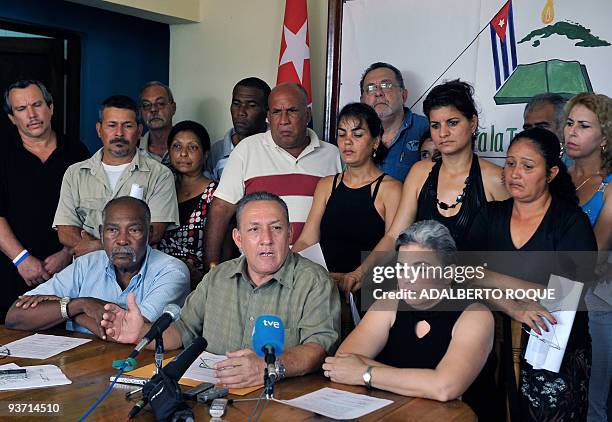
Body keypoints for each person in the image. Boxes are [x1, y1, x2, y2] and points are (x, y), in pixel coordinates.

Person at [101, 192, 341, 389]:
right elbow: (183, 331)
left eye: (276, 228)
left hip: (279, 399)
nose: (266, 239)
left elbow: (318, 348)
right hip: (210, 394)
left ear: (289, 234)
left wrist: (268, 367)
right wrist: (143, 332)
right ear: (238, 239)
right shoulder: (218, 277)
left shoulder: (314, 282)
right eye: (254, 230)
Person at [468, 128, 597, 422]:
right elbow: (460, 274)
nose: (514, 173)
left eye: (527, 166)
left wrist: (491, 277)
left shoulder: (570, 222)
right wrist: (511, 305)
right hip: (490, 346)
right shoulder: (490, 215)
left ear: (551, 173)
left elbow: (565, 293)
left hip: (554, 350)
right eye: (510, 163)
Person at [344, 80, 509, 294]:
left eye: (452, 122)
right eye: (435, 125)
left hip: (475, 299)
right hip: (419, 293)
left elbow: (508, 259)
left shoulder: (496, 179)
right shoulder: (420, 173)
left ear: (473, 123)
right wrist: (361, 272)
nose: (443, 133)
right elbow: (394, 235)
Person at [322, 220, 498, 421]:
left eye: (420, 268)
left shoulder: (475, 315)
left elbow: (444, 388)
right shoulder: (390, 302)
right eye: (402, 267)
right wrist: (425, 384)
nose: (407, 278)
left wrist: (366, 373)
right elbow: (343, 361)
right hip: (399, 415)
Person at [5, 197, 189, 338]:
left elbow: (128, 331)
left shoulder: (172, 271)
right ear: (101, 234)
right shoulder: (87, 264)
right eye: (112, 230)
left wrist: (71, 311)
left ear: (150, 234)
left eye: (134, 230)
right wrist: (80, 304)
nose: (122, 239)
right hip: (81, 364)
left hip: (139, 368)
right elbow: (15, 317)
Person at [204, 83, 342, 268]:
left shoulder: (332, 154)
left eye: (292, 111)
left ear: (307, 115)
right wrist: (211, 267)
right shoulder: (247, 149)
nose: (284, 120)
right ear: (268, 117)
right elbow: (221, 209)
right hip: (257, 272)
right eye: (277, 112)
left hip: (317, 270)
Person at [293, 103, 401, 307]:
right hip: (325, 291)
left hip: (371, 294)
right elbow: (308, 240)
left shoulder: (391, 188)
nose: (347, 142)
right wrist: (285, 265)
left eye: (357, 135)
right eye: (342, 134)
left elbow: (392, 242)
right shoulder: (326, 184)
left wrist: (358, 275)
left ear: (375, 141)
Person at [0, 80, 90, 323]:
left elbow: (89, 212)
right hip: (12, 268)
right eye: (21, 109)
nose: (32, 114)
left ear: (50, 107)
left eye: (37, 104)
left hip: (67, 269)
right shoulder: (3, 152)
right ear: (11, 118)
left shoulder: (77, 151)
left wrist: (67, 253)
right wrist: (22, 259)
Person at [53, 95, 179, 257]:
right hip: (88, 273)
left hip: (140, 274)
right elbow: (65, 231)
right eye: (112, 125)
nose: (119, 133)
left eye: (127, 126)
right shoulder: (75, 173)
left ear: (140, 131)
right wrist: (119, 243)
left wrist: (96, 246)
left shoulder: (160, 174)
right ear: (99, 130)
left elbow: (155, 232)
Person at [564, 92, 612, 422]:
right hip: (554, 293)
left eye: (583, 125)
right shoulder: (556, 176)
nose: (571, 132)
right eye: (569, 123)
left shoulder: (609, 187)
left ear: (605, 137)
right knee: (552, 394)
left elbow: (591, 256)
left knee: (593, 405)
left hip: (596, 300)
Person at [159, 121, 217, 288]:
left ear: (205, 154)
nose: (183, 153)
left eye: (192, 147)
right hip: (157, 276)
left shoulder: (216, 193)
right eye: (177, 146)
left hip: (198, 281)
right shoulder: (160, 189)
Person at [359, 62, 428, 181]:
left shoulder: (427, 129)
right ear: (362, 101)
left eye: (386, 85)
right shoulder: (354, 135)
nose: (378, 93)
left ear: (404, 95)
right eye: (370, 88)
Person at [205, 77, 270, 181]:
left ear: (267, 110)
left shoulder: (278, 145)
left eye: (251, 105)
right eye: (236, 104)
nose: (241, 112)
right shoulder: (217, 151)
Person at [523, 92, 573, 167]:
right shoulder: (521, 159)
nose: (533, 133)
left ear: (562, 128)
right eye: (528, 128)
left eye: (541, 127)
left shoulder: (578, 164)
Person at [138, 81, 176, 164]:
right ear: (141, 112)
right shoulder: (133, 150)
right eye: (147, 105)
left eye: (160, 103)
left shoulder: (190, 147)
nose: (153, 109)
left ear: (173, 108)